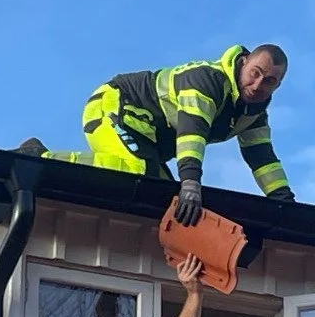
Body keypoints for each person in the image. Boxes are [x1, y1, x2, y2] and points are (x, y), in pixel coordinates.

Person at [16, 44, 295, 226]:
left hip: (144, 134)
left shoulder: (254, 113)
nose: (258, 85)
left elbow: (263, 159)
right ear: (244, 63)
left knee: (164, 198)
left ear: (278, 85)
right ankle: (41, 157)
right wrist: (190, 183)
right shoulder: (208, 81)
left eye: (269, 81)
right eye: (255, 73)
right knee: (140, 172)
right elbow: (191, 133)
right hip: (114, 106)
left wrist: (286, 204)